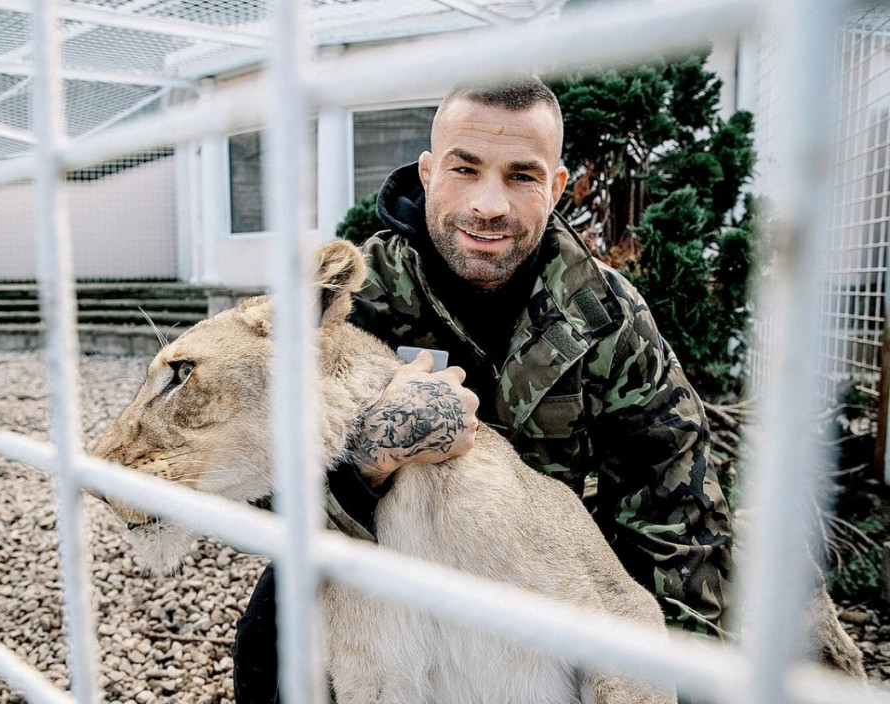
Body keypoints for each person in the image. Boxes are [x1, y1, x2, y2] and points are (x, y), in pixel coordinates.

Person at [233, 76, 733, 702]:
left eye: (521, 177)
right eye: (465, 169)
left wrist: (673, 675)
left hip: (537, 574)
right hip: (385, 570)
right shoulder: (351, 303)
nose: (489, 203)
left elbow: (676, 508)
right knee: (267, 639)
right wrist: (368, 457)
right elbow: (258, 486)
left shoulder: (606, 315)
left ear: (556, 188)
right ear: (427, 173)